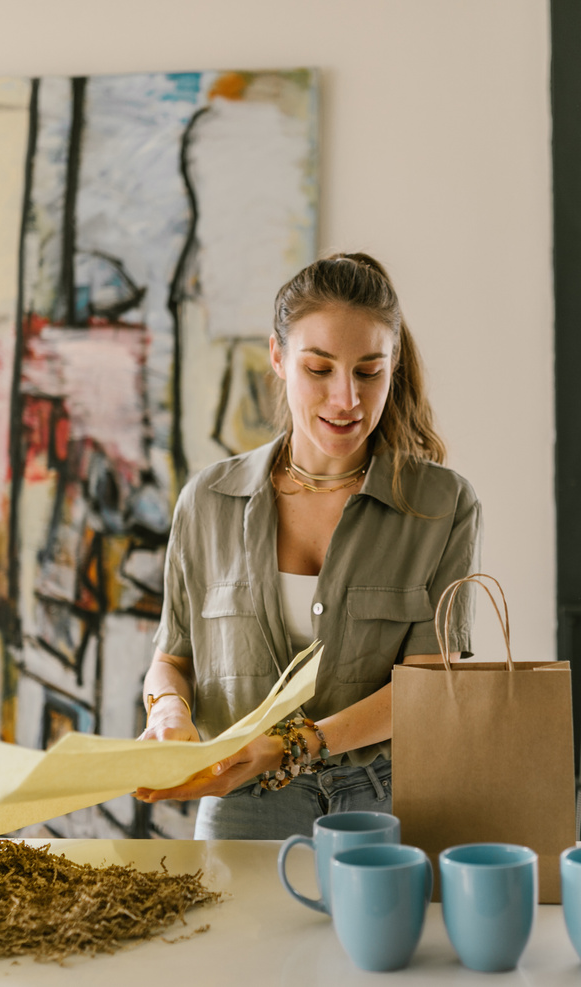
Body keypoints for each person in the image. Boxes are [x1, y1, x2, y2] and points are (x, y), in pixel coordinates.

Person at [133, 252, 482, 839]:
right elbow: (172, 659)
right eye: (319, 369)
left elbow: (429, 689)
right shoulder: (208, 501)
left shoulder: (442, 506)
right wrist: (169, 711)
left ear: (393, 366)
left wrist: (294, 745)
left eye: (369, 372)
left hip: (388, 801)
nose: (346, 399)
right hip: (239, 800)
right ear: (278, 357)